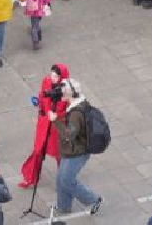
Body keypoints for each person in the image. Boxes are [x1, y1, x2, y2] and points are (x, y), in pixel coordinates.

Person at [54, 79, 102, 214]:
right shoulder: (80, 104)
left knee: (66, 180)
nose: (61, 94)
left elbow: (68, 135)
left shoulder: (76, 113)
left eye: (64, 91)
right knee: (61, 179)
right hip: (72, 149)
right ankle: (64, 207)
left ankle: (93, 200)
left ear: (71, 93)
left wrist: (55, 120)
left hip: (77, 152)